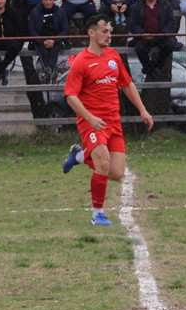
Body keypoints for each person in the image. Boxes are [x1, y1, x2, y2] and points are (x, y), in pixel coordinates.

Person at [60, 14, 154, 226]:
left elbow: (127, 84)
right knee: (102, 163)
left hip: (113, 121)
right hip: (92, 122)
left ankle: (79, 156)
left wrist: (143, 110)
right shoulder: (81, 61)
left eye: (110, 31)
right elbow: (71, 96)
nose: (109, 35)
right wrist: (90, 118)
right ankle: (97, 214)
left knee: (116, 173)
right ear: (91, 33)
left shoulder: (113, 56)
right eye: (104, 31)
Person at [128, 0, 180, 78]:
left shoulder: (165, 4)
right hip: (143, 37)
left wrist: (162, 34)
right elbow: (132, 24)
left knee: (169, 45)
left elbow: (172, 22)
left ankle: (156, 66)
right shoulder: (137, 6)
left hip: (161, 36)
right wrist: (142, 33)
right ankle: (148, 67)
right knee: (139, 48)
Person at [28, 0, 70, 81]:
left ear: (53, 0)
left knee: (54, 50)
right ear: (42, 0)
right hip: (40, 40)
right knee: (43, 51)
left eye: (50, 0)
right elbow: (32, 30)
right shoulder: (35, 12)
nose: (48, 2)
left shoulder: (60, 12)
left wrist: (54, 40)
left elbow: (65, 29)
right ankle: (50, 72)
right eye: (46, 0)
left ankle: (48, 72)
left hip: (57, 40)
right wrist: (42, 41)